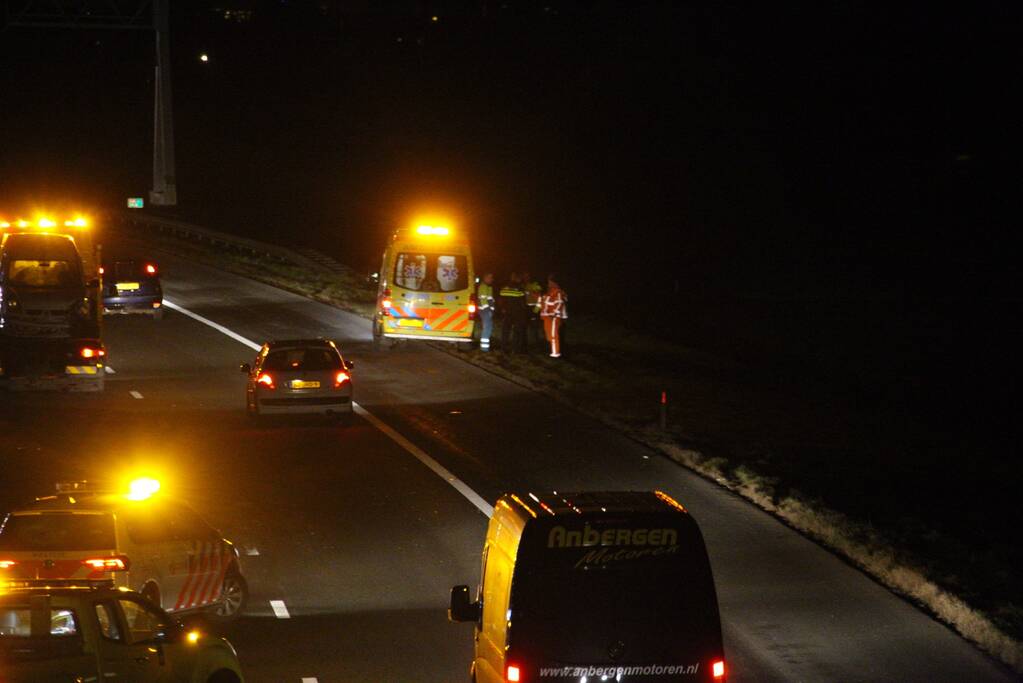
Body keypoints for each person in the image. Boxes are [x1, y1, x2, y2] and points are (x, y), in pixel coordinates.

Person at [498, 272, 528, 353]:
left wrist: (502, 309)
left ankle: (503, 348)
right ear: (517, 278)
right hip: (517, 313)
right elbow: (523, 302)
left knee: (505, 331)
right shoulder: (520, 288)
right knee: (517, 331)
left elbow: (500, 300)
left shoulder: (504, 287)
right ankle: (515, 349)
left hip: (507, 312)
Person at [539, 273, 567, 358]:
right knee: (550, 336)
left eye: (550, 282)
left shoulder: (557, 292)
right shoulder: (549, 292)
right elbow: (543, 303)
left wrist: (554, 313)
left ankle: (555, 354)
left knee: (554, 335)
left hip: (553, 317)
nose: (549, 283)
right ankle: (553, 351)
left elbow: (559, 304)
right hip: (547, 317)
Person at [521, 271, 543, 351]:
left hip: (534, 309)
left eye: (527, 276)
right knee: (524, 328)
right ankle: (525, 345)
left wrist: (536, 311)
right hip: (526, 309)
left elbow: (540, 298)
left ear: (530, 277)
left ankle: (536, 345)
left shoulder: (535, 285)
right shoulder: (523, 285)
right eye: (524, 276)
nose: (525, 278)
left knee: (534, 329)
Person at [476, 272, 496, 351]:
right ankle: (484, 349)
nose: (492, 279)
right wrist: (488, 310)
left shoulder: (488, 287)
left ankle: (485, 348)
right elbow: (483, 300)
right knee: (487, 329)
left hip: (487, 311)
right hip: (485, 311)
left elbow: (489, 299)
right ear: (485, 278)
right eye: (490, 277)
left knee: (488, 328)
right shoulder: (483, 287)